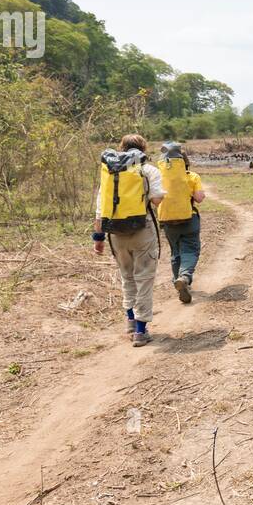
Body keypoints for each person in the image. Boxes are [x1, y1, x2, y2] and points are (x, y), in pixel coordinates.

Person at [92, 134, 164, 346]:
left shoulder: (110, 173)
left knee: (127, 277)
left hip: (115, 234)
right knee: (144, 279)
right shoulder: (147, 169)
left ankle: (130, 323)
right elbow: (158, 200)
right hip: (142, 230)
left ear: (121, 148)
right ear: (142, 149)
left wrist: (99, 238)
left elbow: (100, 210)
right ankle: (141, 332)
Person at [156, 141, 206, 303]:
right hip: (188, 219)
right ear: (184, 162)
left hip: (168, 221)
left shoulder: (159, 177)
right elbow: (199, 198)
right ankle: (184, 277)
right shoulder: (192, 176)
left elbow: (155, 200)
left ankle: (178, 281)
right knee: (191, 249)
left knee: (175, 252)